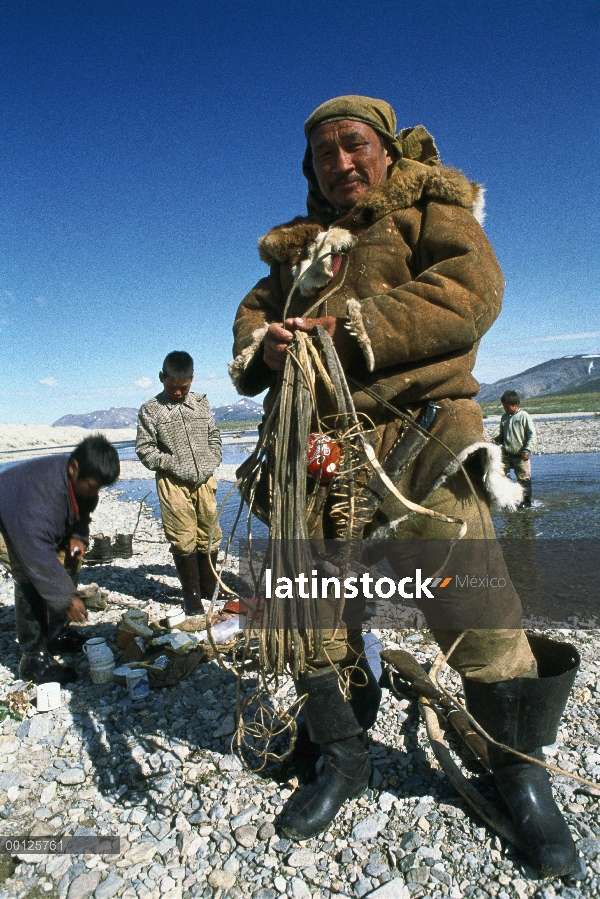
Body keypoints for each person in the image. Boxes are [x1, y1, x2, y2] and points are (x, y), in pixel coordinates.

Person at [229, 96, 579, 876]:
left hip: (421, 443)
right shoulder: (297, 253)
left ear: (386, 150)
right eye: (324, 153)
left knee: (476, 610)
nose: (341, 162)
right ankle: (342, 754)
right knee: (317, 616)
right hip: (316, 460)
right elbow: (249, 327)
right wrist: (273, 349)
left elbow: (469, 291)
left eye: (353, 145)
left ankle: (520, 772)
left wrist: (350, 333)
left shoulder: (430, 210)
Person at [0, 434, 120, 684]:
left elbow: (84, 506)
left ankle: (56, 635)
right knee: (29, 577)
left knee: (71, 559)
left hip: (34, 524)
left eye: (99, 487)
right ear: (74, 468)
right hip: (8, 519)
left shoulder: (80, 482)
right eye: (92, 485)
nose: (95, 491)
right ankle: (34, 659)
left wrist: (78, 535)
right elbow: (37, 556)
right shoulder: (41, 497)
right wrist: (66, 598)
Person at [136, 351, 223, 614]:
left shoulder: (201, 403)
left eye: (183, 388)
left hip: (205, 479)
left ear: (192, 379)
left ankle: (210, 587)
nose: (177, 393)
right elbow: (145, 449)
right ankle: (192, 596)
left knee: (210, 533)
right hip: (173, 482)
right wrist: (172, 464)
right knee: (182, 537)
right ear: (162, 378)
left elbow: (214, 435)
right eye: (172, 387)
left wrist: (213, 458)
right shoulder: (151, 410)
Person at [493, 390, 536, 508]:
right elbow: (502, 436)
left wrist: (527, 450)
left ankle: (526, 503)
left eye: (507, 407)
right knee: (503, 477)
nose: (505, 409)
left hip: (521, 456)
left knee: (524, 479)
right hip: (507, 455)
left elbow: (532, 435)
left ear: (515, 405)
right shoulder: (504, 418)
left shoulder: (524, 416)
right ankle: (508, 501)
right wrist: (492, 441)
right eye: (504, 407)